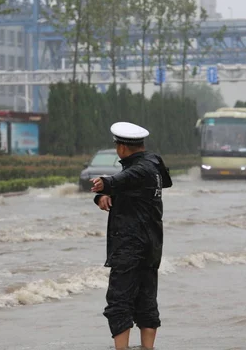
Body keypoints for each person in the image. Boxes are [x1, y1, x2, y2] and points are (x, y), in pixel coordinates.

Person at [90, 121, 173, 350]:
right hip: (151, 246)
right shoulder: (154, 165)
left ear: (123, 148)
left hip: (130, 247)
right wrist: (103, 196)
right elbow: (133, 189)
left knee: (119, 303)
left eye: (117, 146)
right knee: (146, 301)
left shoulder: (141, 169)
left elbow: (122, 180)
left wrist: (104, 184)